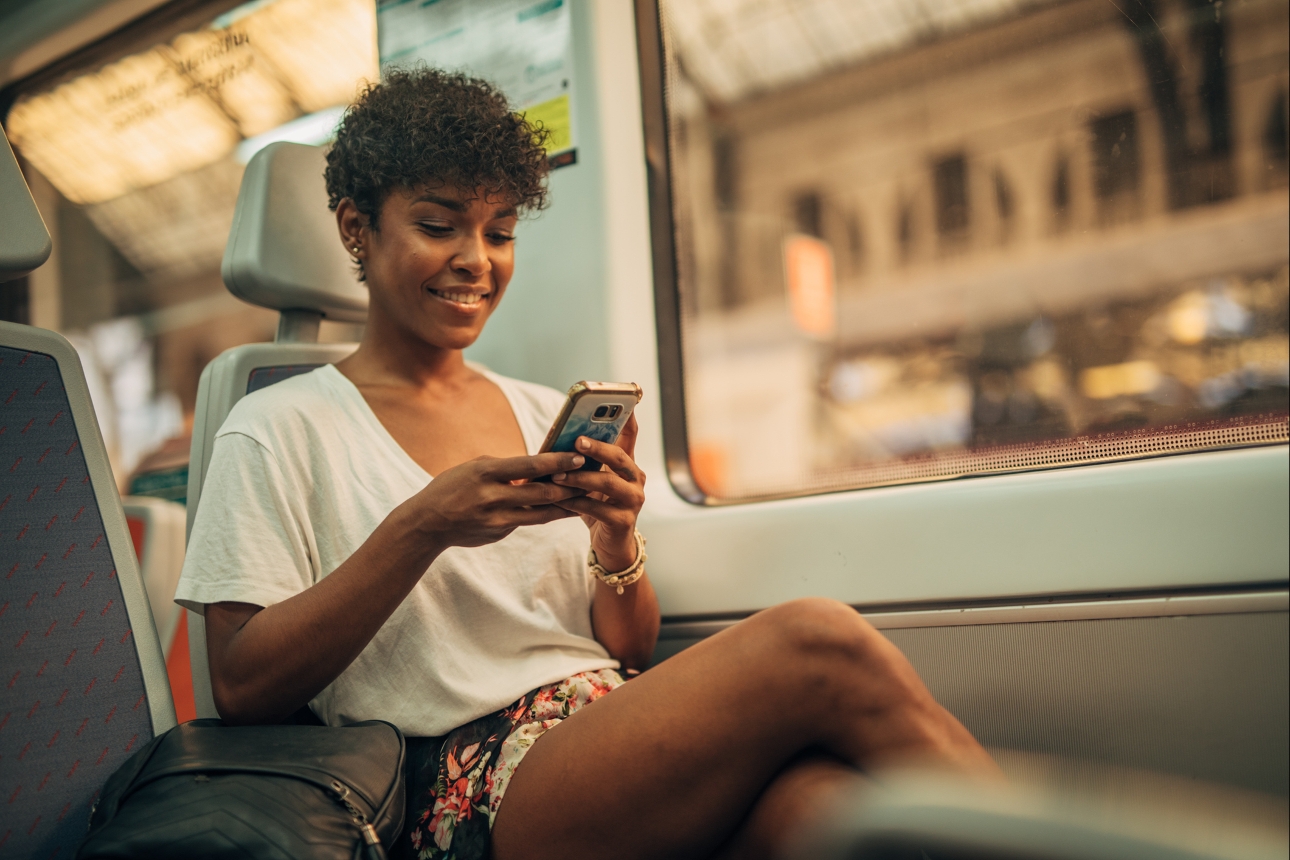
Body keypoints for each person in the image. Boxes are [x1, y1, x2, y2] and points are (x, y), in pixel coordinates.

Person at [175, 68, 998, 860]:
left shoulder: (539, 410)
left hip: (595, 726)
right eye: (439, 226)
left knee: (821, 812)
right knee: (817, 639)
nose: (477, 259)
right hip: (458, 782)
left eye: (500, 232)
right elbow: (242, 689)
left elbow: (628, 649)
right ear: (357, 228)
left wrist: (616, 538)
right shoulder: (278, 427)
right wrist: (423, 526)